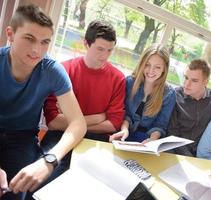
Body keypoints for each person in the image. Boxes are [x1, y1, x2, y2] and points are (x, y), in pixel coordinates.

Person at [0, 4, 86, 200]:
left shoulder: (52, 71)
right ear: (10, 34)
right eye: (29, 39)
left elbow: (78, 123)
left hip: (22, 139)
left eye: (44, 42)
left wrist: (50, 160)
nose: (37, 50)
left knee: (17, 193)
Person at [41, 20, 125, 181]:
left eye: (110, 50)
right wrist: (98, 118)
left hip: (96, 141)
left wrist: (71, 120)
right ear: (86, 44)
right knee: (43, 180)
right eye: (100, 49)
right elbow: (52, 121)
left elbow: (113, 124)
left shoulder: (118, 78)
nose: (105, 55)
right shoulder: (64, 70)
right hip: (60, 135)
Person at [110, 44, 176, 143]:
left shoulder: (169, 94)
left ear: (164, 69)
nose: (151, 71)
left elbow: (160, 125)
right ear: (142, 63)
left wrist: (152, 140)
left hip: (146, 138)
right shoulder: (130, 82)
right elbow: (125, 113)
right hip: (124, 132)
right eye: (147, 65)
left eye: (157, 67)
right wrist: (124, 130)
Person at [167, 59, 211, 157]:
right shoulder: (175, 95)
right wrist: (188, 156)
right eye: (186, 77)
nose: (186, 84)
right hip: (174, 150)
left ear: (205, 82)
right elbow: (172, 132)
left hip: (203, 154)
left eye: (194, 80)